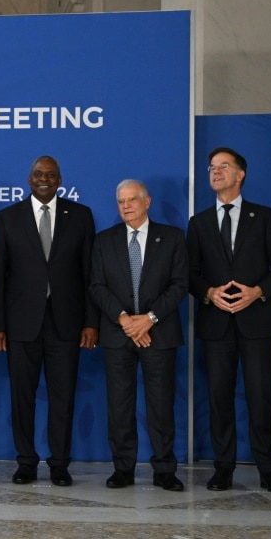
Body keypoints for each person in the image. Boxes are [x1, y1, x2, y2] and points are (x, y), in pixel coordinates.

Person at [187, 147, 271, 493]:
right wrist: (209, 293)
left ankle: (268, 470)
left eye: (223, 167)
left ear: (240, 174)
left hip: (257, 322)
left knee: (260, 396)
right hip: (216, 324)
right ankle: (223, 469)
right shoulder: (198, 223)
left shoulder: (265, 217)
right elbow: (188, 274)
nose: (215, 172)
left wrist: (258, 291)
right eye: (211, 168)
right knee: (219, 396)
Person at [0, 156, 99, 487]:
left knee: (62, 397)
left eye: (51, 175)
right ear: (29, 179)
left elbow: (89, 274)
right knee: (21, 396)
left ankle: (59, 463)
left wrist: (91, 322)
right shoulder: (7, 218)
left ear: (60, 180)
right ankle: (25, 461)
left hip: (66, 322)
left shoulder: (80, 216)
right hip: (21, 324)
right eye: (38, 174)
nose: (44, 179)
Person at [90, 180, 188, 491]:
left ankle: (164, 470)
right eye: (121, 201)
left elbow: (180, 284)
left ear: (147, 202)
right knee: (119, 405)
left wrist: (148, 319)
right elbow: (97, 286)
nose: (126, 206)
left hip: (159, 333)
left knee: (161, 404)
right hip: (118, 335)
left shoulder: (172, 237)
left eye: (132, 199)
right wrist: (124, 320)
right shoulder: (104, 240)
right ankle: (123, 468)